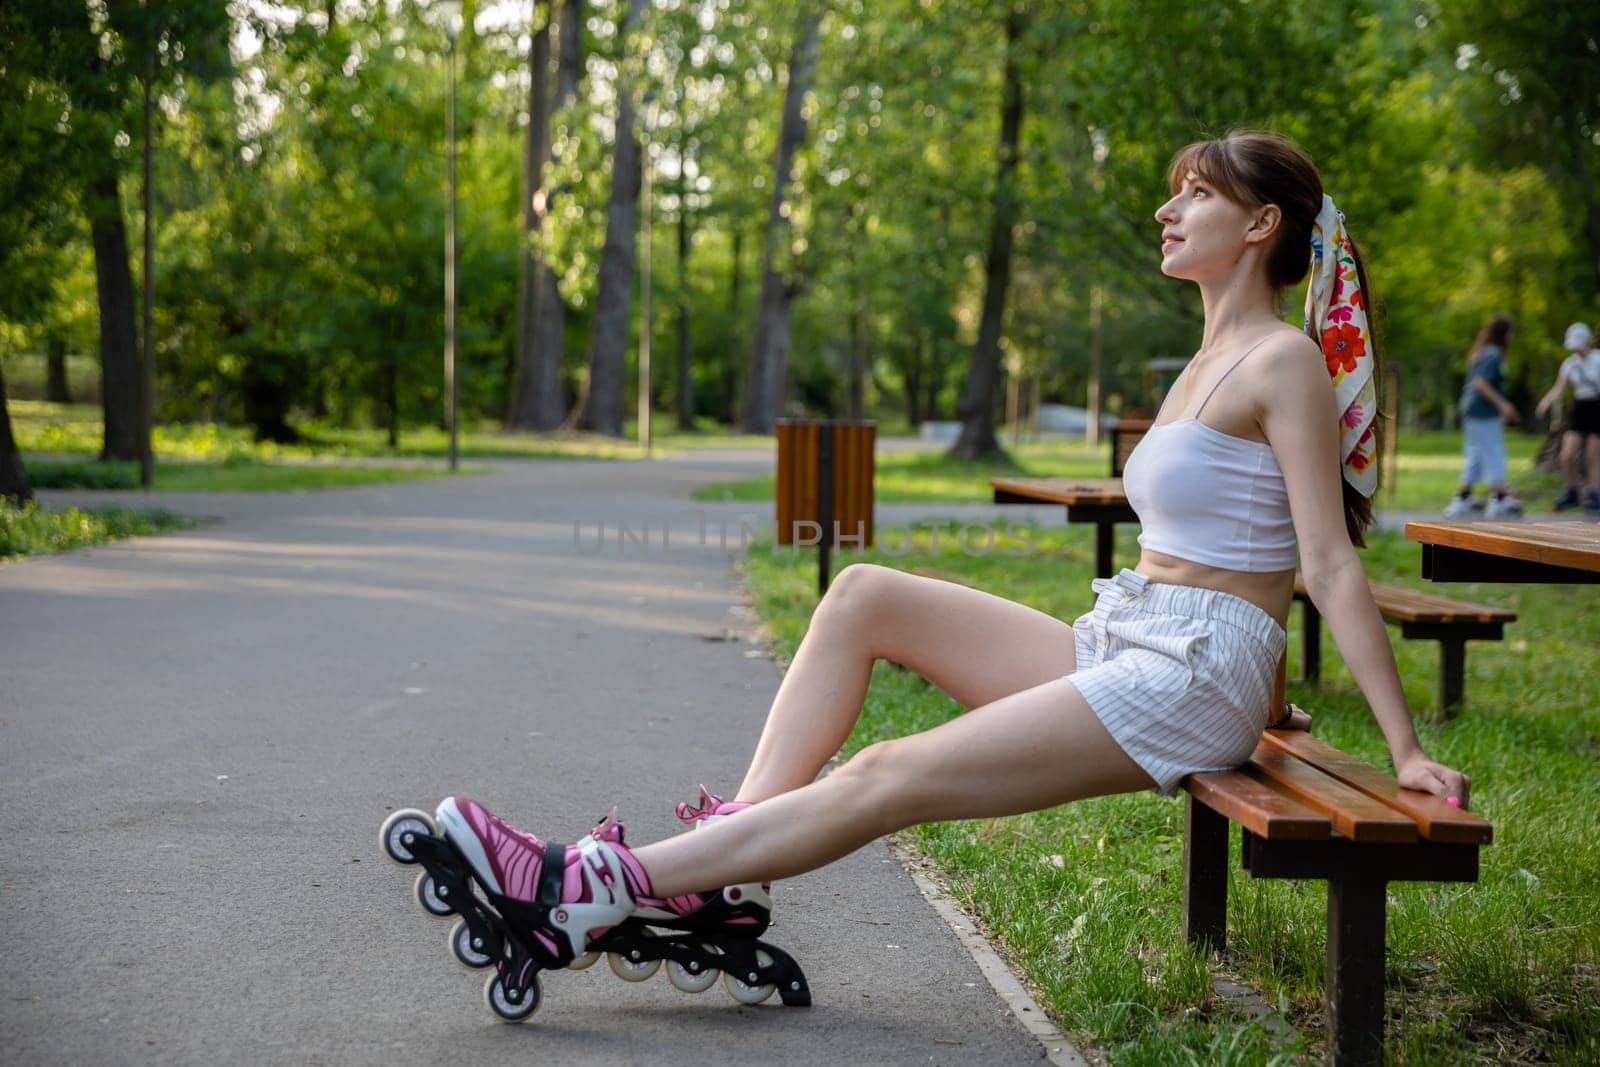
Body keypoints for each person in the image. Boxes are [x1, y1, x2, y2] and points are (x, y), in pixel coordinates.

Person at [398, 132, 1472, 1004]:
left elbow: (1327, 565)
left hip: (1198, 669)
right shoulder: (1204, 359)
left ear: (1259, 223)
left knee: (886, 771)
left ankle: (585, 885)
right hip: (1134, 631)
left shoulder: (1280, 359)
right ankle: (719, 868)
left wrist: (1405, 748)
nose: (1167, 210)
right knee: (864, 594)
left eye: (1194, 193)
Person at [1446, 316, 1523, 518]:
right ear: (1504, 334)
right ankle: (1499, 498)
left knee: (1476, 455)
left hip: (1472, 410)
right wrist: (1504, 405)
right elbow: (1480, 384)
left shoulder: (1483, 351)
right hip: (1483, 412)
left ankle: (1463, 497)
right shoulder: (1493, 354)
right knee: (1494, 451)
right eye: (1511, 332)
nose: (1512, 336)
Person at [1534, 322, 1600, 515]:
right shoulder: (1570, 364)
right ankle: (1572, 491)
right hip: (1579, 407)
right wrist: (1545, 403)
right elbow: (1559, 388)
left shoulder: (1597, 359)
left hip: (1597, 406)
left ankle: (1594, 493)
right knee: (1568, 454)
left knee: (1592, 455)